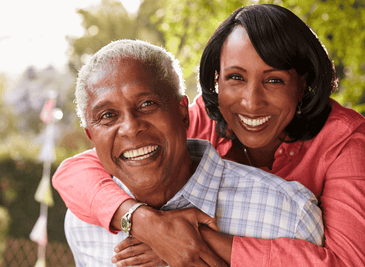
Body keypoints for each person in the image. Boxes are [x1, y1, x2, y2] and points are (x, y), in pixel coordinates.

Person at [53, 4, 365, 267]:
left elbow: (348, 262)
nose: (251, 102)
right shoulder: (203, 115)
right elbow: (75, 171)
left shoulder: (346, 141)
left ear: (303, 83)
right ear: (216, 80)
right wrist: (147, 224)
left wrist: (191, 243)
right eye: (235, 78)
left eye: (274, 80)